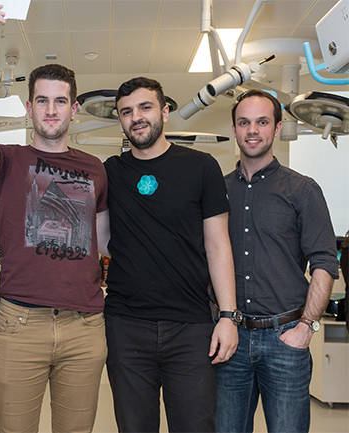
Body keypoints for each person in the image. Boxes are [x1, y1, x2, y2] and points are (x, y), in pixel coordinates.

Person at [0, 5, 110, 432]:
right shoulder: (9, 162)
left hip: (84, 327)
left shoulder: (96, 168)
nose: (52, 110)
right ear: (29, 107)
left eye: (61, 101)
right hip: (20, 325)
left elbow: (105, 243)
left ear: (74, 108)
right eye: (43, 100)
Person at [102, 77, 238, 432]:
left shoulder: (201, 167)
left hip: (191, 327)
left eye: (145, 107)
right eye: (126, 112)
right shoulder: (111, 172)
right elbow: (102, 240)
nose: (136, 118)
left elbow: (218, 245)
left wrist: (228, 315)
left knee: (195, 426)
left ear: (164, 111)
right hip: (126, 325)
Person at [215, 90, 339, 433]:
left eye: (262, 122)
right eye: (244, 122)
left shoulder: (303, 190)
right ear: (235, 129)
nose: (252, 130)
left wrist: (307, 325)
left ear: (277, 127)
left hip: (285, 337)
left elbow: (325, 262)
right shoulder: (217, 192)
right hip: (231, 339)